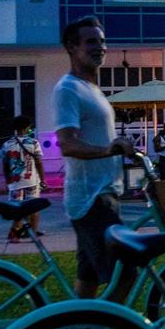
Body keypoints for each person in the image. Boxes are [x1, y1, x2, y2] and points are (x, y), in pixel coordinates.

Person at [52, 16, 138, 300]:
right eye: (91, 41)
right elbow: (67, 144)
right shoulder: (68, 89)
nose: (100, 47)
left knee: (87, 279)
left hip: (105, 193)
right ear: (71, 48)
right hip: (92, 199)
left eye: (102, 41)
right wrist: (109, 150)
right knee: (125, 275)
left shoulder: (92, 89)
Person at [1, 114, 46, 241]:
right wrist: (43, 179)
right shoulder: (33, 143)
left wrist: (7, 182)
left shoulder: (6, 144)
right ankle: (33, 232)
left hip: (14, 182)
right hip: (31, 180)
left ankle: (15, 233)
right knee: (34, 208)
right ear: (27, 127)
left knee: (17, 209)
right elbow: (39, 162)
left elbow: (5, 166)